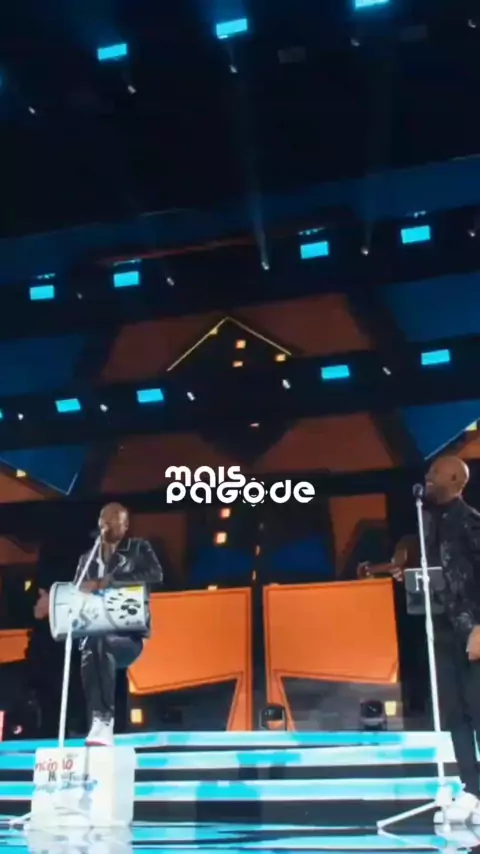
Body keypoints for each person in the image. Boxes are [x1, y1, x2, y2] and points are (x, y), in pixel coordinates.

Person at [370, 456, 480, 824]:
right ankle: (472, 788)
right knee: (455, 714)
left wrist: (479, 629)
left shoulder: (471, 523)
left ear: (455, 479)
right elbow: (436, 573)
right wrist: (412, 575)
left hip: (472, 631)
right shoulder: (426, 522)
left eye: (435, 473)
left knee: (478, 709)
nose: (428, 477)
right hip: (442, 628)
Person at [34, 503, 163, 747]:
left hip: (128, 636)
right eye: (106, 521)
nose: (110, 526)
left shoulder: (138, 550)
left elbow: (154, 574)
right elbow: (78, 593)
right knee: (91, 649)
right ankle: (95, 722)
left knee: (102, 647)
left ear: (125, 526)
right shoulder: (87, 558)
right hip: (94, 634)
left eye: (116, 521)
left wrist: (107, 581)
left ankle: (105, 720)